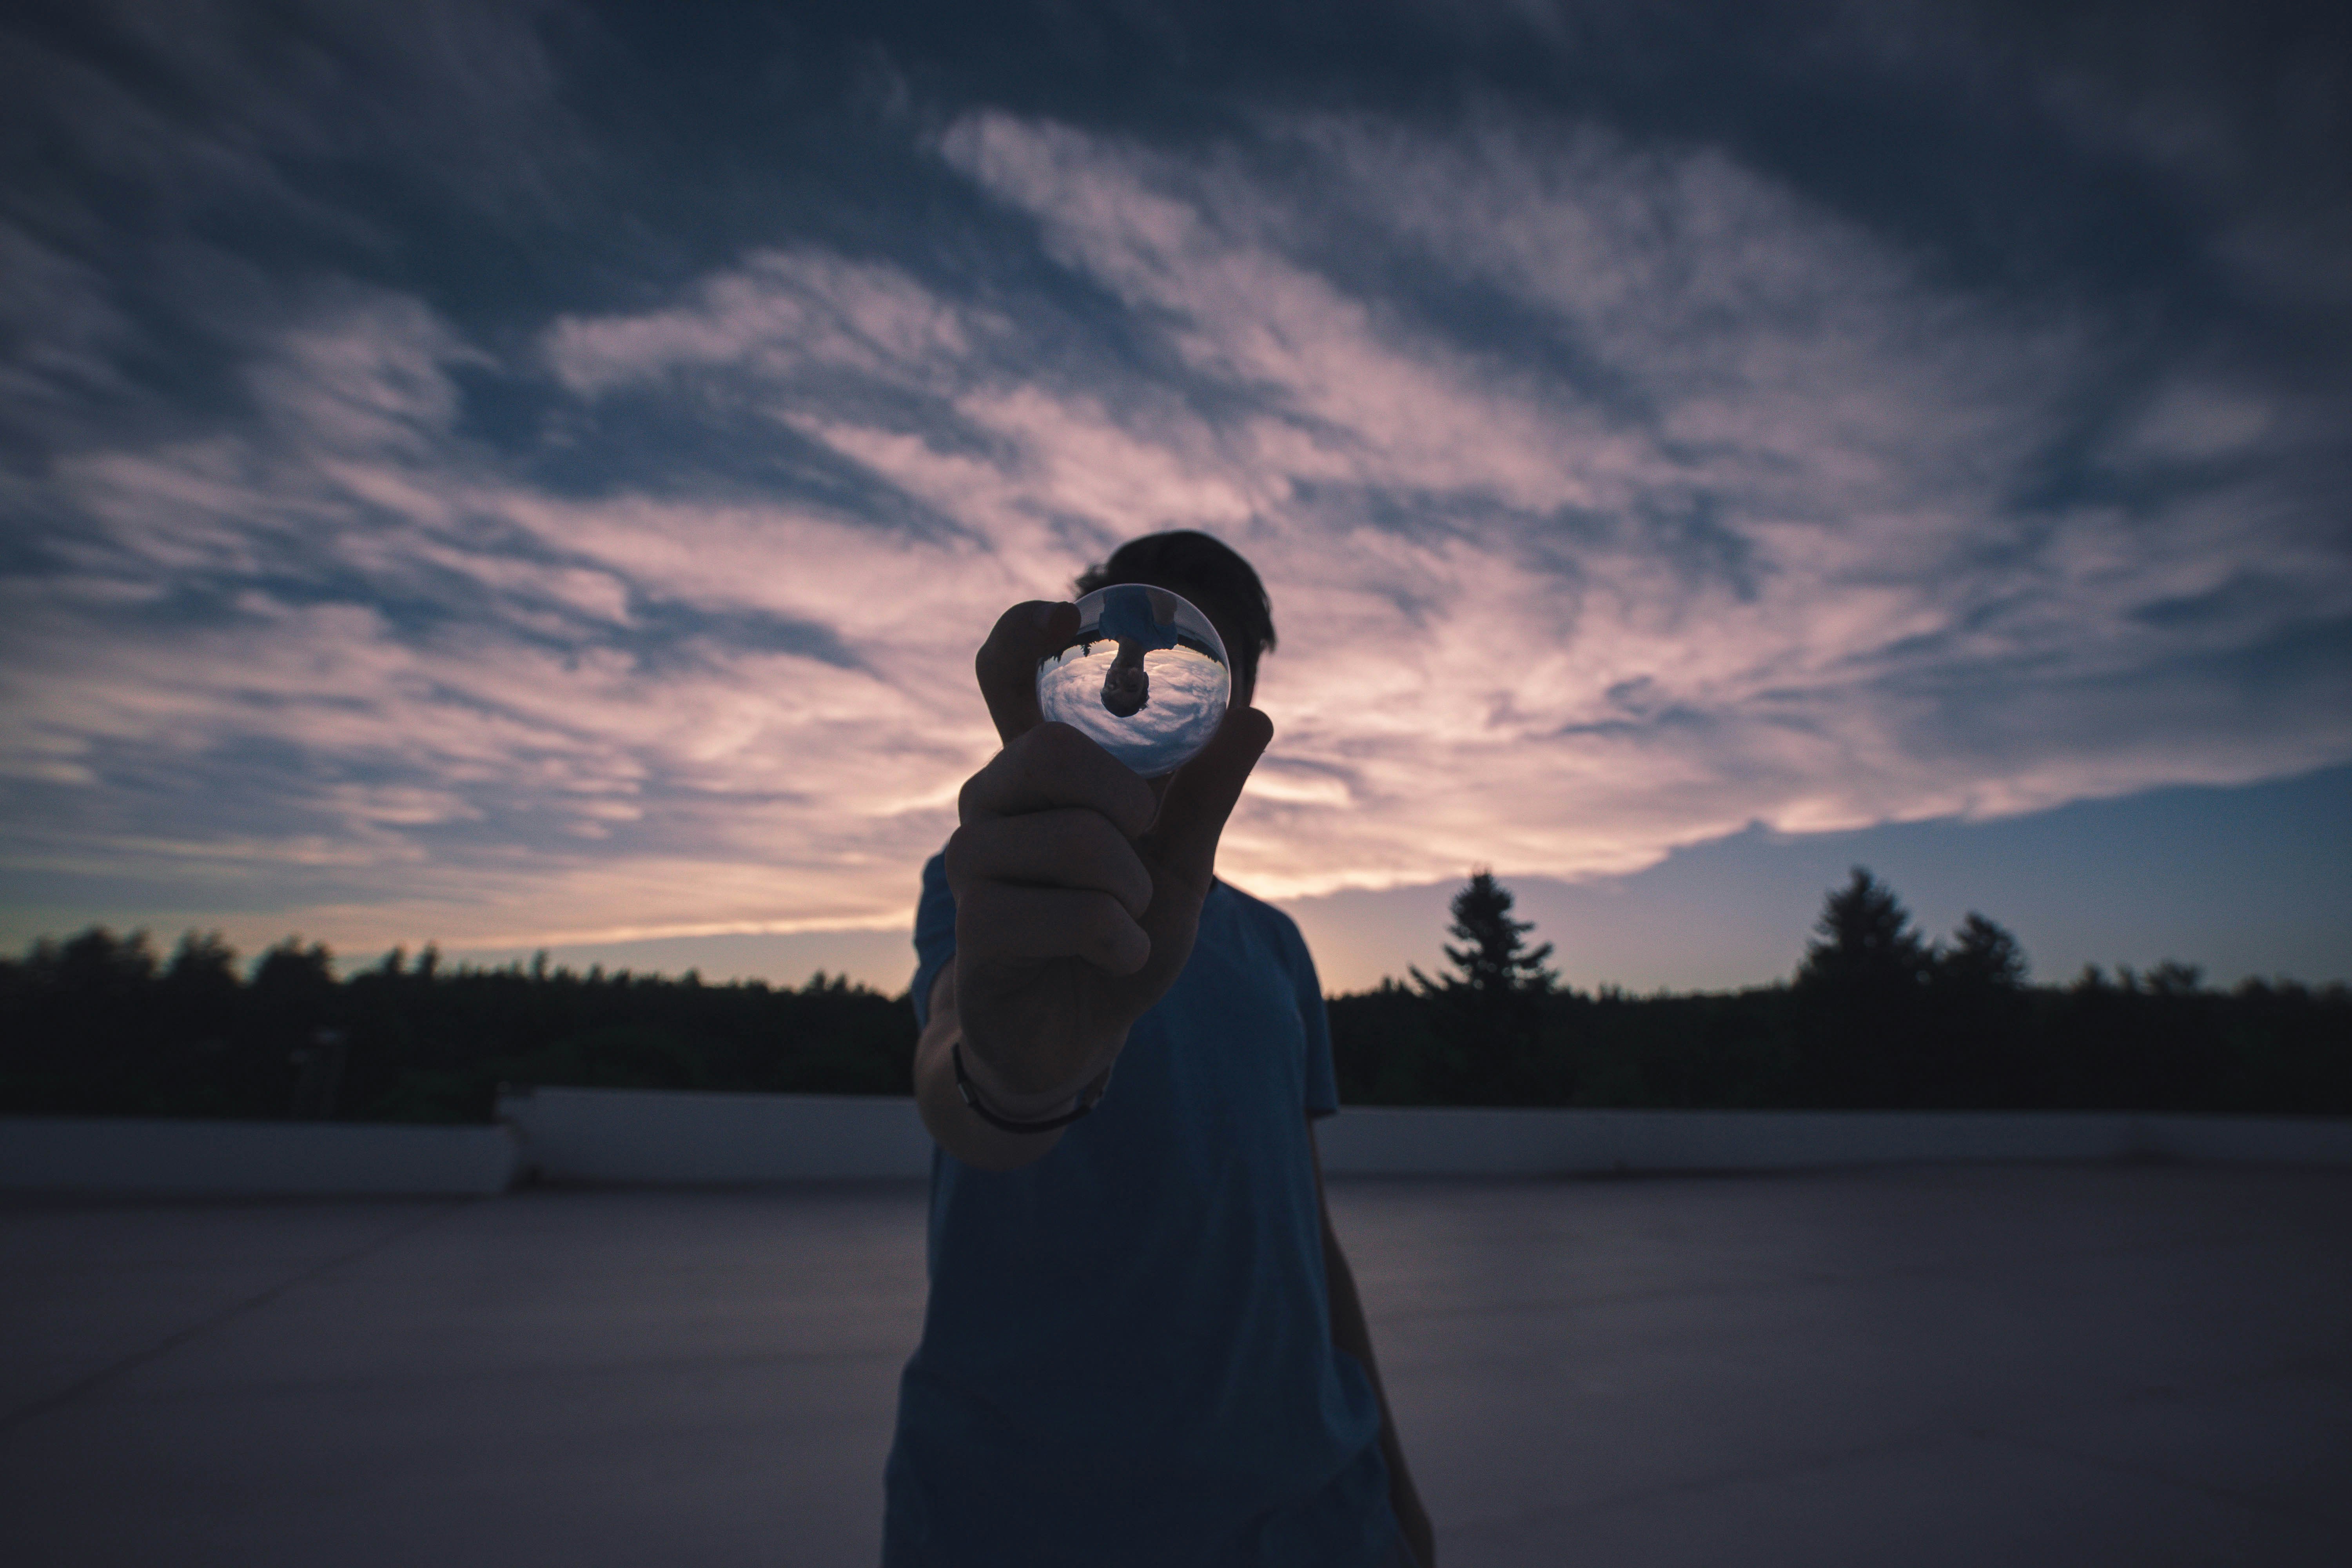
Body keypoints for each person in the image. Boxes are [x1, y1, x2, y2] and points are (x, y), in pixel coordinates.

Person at [883, 531, 1435, 1567]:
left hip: (1320, 1508)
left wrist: (1397, 1485)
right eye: (1123, 661)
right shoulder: (1001, 886)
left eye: (1193, 679)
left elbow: (1305, 1232)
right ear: (1073, 676)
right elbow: (957, 1074)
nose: (1145, 699)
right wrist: (1021, 1072)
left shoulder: (1276, 945)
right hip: (1032, 1518)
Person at [1095, 582, 1182, 718]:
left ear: (1107, 675)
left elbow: (1107, 594)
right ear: (1145, 681)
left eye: (1112, 685)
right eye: (1131, 686)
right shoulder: (1164, 640)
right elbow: (1163, 603)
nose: (1122, 677)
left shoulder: (1105, 630)